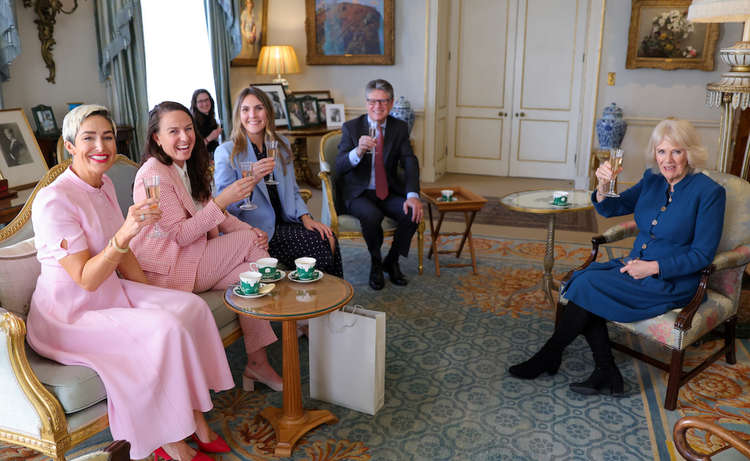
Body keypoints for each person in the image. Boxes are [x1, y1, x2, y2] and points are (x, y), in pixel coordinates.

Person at [26, 104, 234, 461]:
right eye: (88, 138)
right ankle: (171, 443)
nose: (100, 145)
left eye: (107, 136)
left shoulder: (103, 183)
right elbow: (86, 278)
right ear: (70, 145)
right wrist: (124, 234)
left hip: (110, 291)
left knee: (190, 307)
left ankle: (196, 418)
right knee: (165, 328)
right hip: (70, 314)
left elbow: (125, 256)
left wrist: (153, 293)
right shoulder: (54, 200)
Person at [508, 118, 726, 396]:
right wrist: (603, 186)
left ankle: (552, 356)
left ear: (690, 153)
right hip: (633, 268)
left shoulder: (709, 193)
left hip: (671, 282)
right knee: (581, 279)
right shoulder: (653, 180)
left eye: (676, 151)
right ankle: (605, 371)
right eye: (661, 151)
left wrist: (653, 268)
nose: (667, 160)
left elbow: (702, 254)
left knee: (585, 286)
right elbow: (613, 208)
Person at [129, 101, 283, 393]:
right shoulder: (154, 174)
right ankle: (280, 296)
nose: (184, 137)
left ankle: (257, 363)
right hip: (169, 269)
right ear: (156, 138)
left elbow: (220, 218)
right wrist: (223, 201)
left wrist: (253, 231)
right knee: (253, 252)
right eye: (173, 131)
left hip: (192, 258)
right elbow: (180, 235)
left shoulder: (187, 167)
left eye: (188, 129)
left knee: (250, 273)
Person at [214, 87, 343, 277]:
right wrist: (251, 179)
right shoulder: (227, 152)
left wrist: (306, 217)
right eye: (245, 109)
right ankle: (318, 299)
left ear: (268, 111)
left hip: (285, 220)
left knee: (328, 236)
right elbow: (225, 207)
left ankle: (329, 299)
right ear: (238, 115)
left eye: (258, 108)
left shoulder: (281, 145)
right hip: (256, 230)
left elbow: (293, 189)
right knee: (317, 244)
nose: (252, 115)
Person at [336, 79, 422, 290]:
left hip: (387, 191)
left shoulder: (399, 128)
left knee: (412, 213)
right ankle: (376, 263)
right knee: (372, 216)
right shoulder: (351, 127)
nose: (378, 106)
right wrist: (357, 151)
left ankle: (391, 260)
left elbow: (409, 161)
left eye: (383, 101)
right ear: (366, 103)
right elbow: (339, 166)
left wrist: (412, 195)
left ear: (391, 103)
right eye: (373, 101)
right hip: (358, 193)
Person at [190, 89, 222, 157]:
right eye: (200, 101)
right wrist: (209, 138)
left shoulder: (211, 118)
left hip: (214, 157)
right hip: (203, 161)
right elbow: (193, 149)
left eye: (206, 100)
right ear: (195, 104)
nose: (204, 104)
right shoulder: (192, 122)